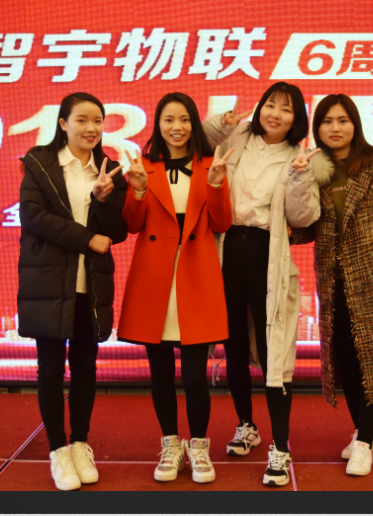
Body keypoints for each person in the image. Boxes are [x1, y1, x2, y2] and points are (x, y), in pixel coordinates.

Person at [290, 93, 373, 477]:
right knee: (346, 363)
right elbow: (309, 226)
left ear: (355, 124)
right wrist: (281, 231)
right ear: (317, 128)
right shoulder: (314, 168)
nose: (335, 128)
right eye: (327, 121)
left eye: (342, 120)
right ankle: (363, 431)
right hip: (334, 284)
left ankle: (364, 441)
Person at [118, 93, 249, 484]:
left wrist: (217, 185)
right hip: (154, 280)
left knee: (194, 377)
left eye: (185, 120)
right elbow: (132, 225)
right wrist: (137, 191)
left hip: (196, 277)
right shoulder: (144, 166)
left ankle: (199, 447)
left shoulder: (211, 164)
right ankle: (170, 444)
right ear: (158, 125)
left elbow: (222, 223)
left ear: (194, 124)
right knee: (160, 374)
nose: (177, 127)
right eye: (168, 119)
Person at [17, 92, 127, 490]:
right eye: (82, 120)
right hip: (48, 282)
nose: (91, 128)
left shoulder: (110, 170)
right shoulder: (41, 163)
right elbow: (32, 217)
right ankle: (58, 450)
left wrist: (103, 201)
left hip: (90, 284)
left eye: (97, 120)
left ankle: (80, 443)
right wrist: (85, 238)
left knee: (84, 367)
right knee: (50, 370)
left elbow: (116, 232)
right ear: (63, 123)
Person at [214, 82, 321, 487]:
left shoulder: (301, 157)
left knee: (274, 353)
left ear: (297, 120)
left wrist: (300, 177)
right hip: (227, 253)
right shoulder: (238, 137)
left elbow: (303, 218)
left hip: (267, 256)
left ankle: (280, 446)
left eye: (286, 109)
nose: (275, 114)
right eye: (270, 105)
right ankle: (246, 425)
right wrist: (221, 122)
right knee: (233, 347)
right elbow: (199, 141)